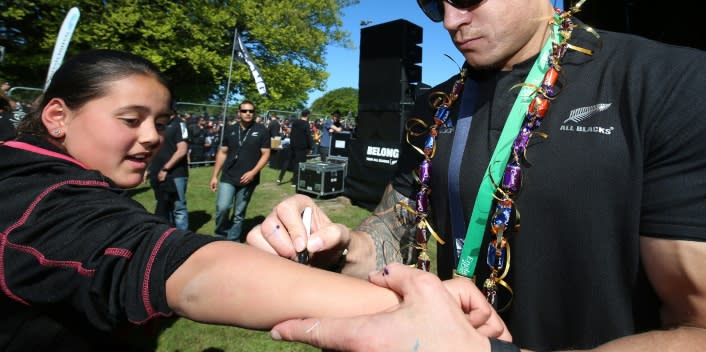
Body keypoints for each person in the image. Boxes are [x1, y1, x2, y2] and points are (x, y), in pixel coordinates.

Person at [251, 0, 706, 351]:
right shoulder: (434, 108)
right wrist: (337, 246)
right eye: (435, 2)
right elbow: (394, 228)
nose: (451, 19)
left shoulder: (672, 84)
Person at [0, 49, 509, 351]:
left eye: (159, 120)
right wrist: (420, 311)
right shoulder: (27, 193)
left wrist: (258, 263)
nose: (153, 137)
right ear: (56, 117)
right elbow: (165, 268)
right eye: (131, 120)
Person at [209, 100, 270, 241]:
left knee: (239, 212)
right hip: (228, 175)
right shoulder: (230, 129)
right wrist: (214, 176)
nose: (248, 113)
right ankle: (220, 234)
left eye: (251, 111)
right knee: (223, 207)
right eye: (244, 111)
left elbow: (266, 154)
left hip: (248, 178)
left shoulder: (261, 130)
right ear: (239, 113)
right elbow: (222, 152)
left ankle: (233, 239)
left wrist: (253, 172)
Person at [147, 106, 190, 229]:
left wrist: (165, 169)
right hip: (156, 171)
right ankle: (168, 235)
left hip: (176, 173)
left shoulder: (179, 124)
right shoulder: (157, 124)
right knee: (163, 205)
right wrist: (149, 168)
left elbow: (182, 150)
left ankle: (183, 238)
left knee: (178, 207)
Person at [277, 108, 312, 185]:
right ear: (308, 115)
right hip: (301, 147)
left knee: (287, 161)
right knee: (297, 164)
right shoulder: (306, 124)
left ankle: (280, 178)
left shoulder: (295, 122)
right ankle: (294, 182)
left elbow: (292, 132)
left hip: (292, 144)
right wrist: (310, 147)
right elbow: (308, 136)